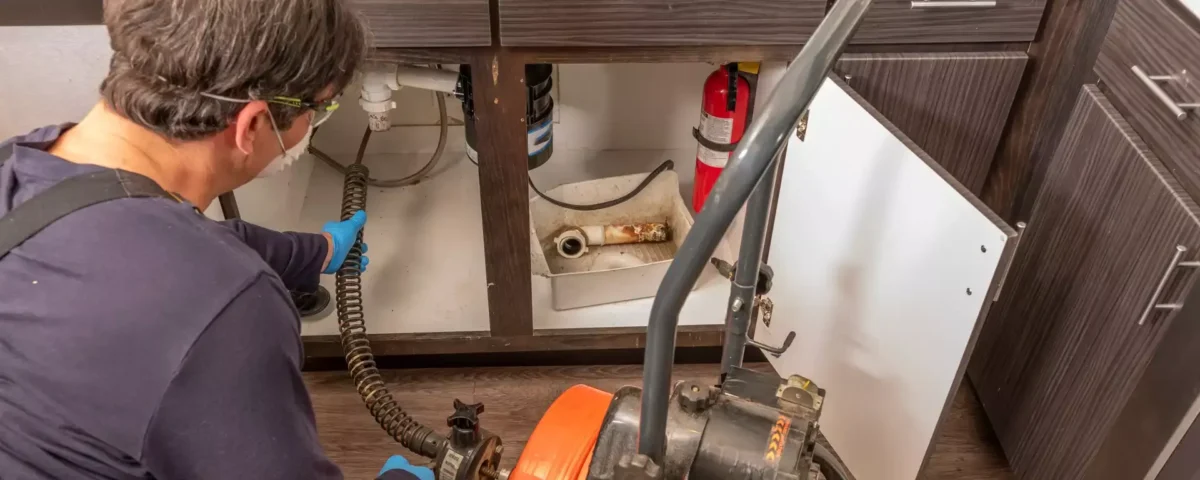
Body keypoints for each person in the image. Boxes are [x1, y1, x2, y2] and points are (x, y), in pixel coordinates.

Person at [0, 0, 431, 479]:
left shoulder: (23, 166)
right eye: (319, 107)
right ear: (252, 124)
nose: (316, 119)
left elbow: (179, 244)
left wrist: (320, 252)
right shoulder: (228, 313)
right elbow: (195, 286)